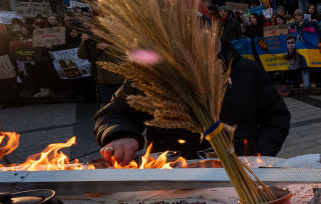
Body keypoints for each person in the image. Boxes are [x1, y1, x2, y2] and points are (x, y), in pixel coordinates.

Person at [95, 44, 291, 163]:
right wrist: (120, 135)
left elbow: (276, 116)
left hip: (242, 169)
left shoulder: (247, 70)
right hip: (175, 174)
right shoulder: (151, 75)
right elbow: (114, 114)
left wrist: (260, 152)